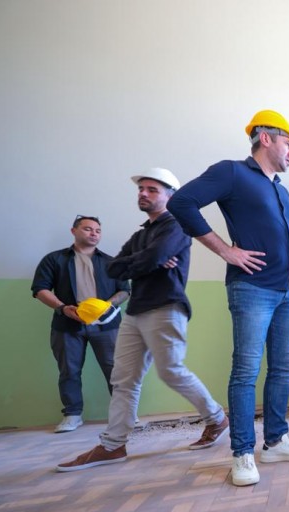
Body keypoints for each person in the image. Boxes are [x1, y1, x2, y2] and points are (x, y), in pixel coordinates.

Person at [168, 110, 289, 487]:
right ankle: (242, 453)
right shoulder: (232, 173)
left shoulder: (280, 189)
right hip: (252, 289)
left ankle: (276, 441)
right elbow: (181, 202)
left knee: (282, 368)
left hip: (288, 292)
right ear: (265, 138)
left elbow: (284, 240)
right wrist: (225, 251)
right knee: (246, 371)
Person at [57, 168, 229, 471]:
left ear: (170, 196)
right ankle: (113, 445)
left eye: (152, 189)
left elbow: (147, 258)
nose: (143, 193)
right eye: (141, 189)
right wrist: (150, 260)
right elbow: (113, 268)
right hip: (135, 312)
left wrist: (146, 260)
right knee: (123, 380)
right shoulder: (140, 235)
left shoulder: (177, 224)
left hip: (166, 306)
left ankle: (216, 419)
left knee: (171, 371)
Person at [32, 216, 130, 433]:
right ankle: (72, 415)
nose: (94, 233)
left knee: (116, 370)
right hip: (67, 324)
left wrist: (108, 305)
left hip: (107, 325)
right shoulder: (54, 259)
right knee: (69, 370)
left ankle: (124, 414)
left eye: (97, 230)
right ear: (74, 231)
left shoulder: (112, 262)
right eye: (88, 229)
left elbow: (125, 290)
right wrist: (62, 308)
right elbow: (40, 289)